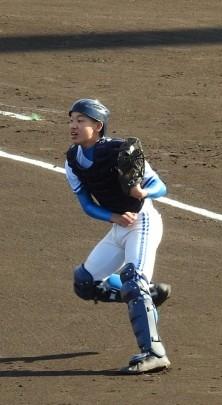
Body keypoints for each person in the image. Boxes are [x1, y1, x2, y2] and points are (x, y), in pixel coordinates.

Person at [65, 99, 172, 374]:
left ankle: (154, 353)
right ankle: (148, 296)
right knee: (85, 283)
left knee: (133, 281)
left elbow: (160, 186)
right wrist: (113, 217)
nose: (73, 126)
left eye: (81, 121)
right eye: (72, 120)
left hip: (143, 222)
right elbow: (86, 204)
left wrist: (143, 192)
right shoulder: (72, 160)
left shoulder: (121, 152)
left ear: (98, 126)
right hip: (120, 227)